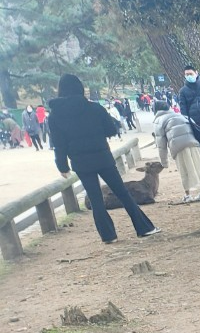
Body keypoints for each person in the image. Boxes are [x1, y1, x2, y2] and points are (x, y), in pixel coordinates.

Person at [47, 74, 159, 243]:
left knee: (95, 198)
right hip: (102, 157)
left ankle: (108, 235)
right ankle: (144, 227)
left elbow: (58, 144)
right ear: (80, 88)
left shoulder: (55, 116)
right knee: (122, 193)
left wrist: (62, 166)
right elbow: (111, 129)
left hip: (80, 162)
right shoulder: (94, 108)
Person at [154, 106, 200, 201]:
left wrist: (164, 162)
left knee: (184, 170)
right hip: (193, 143)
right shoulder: (180, 115)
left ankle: (187, 195)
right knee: (199, 167)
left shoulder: (159, 121)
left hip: (178, 146)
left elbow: (161, 145)